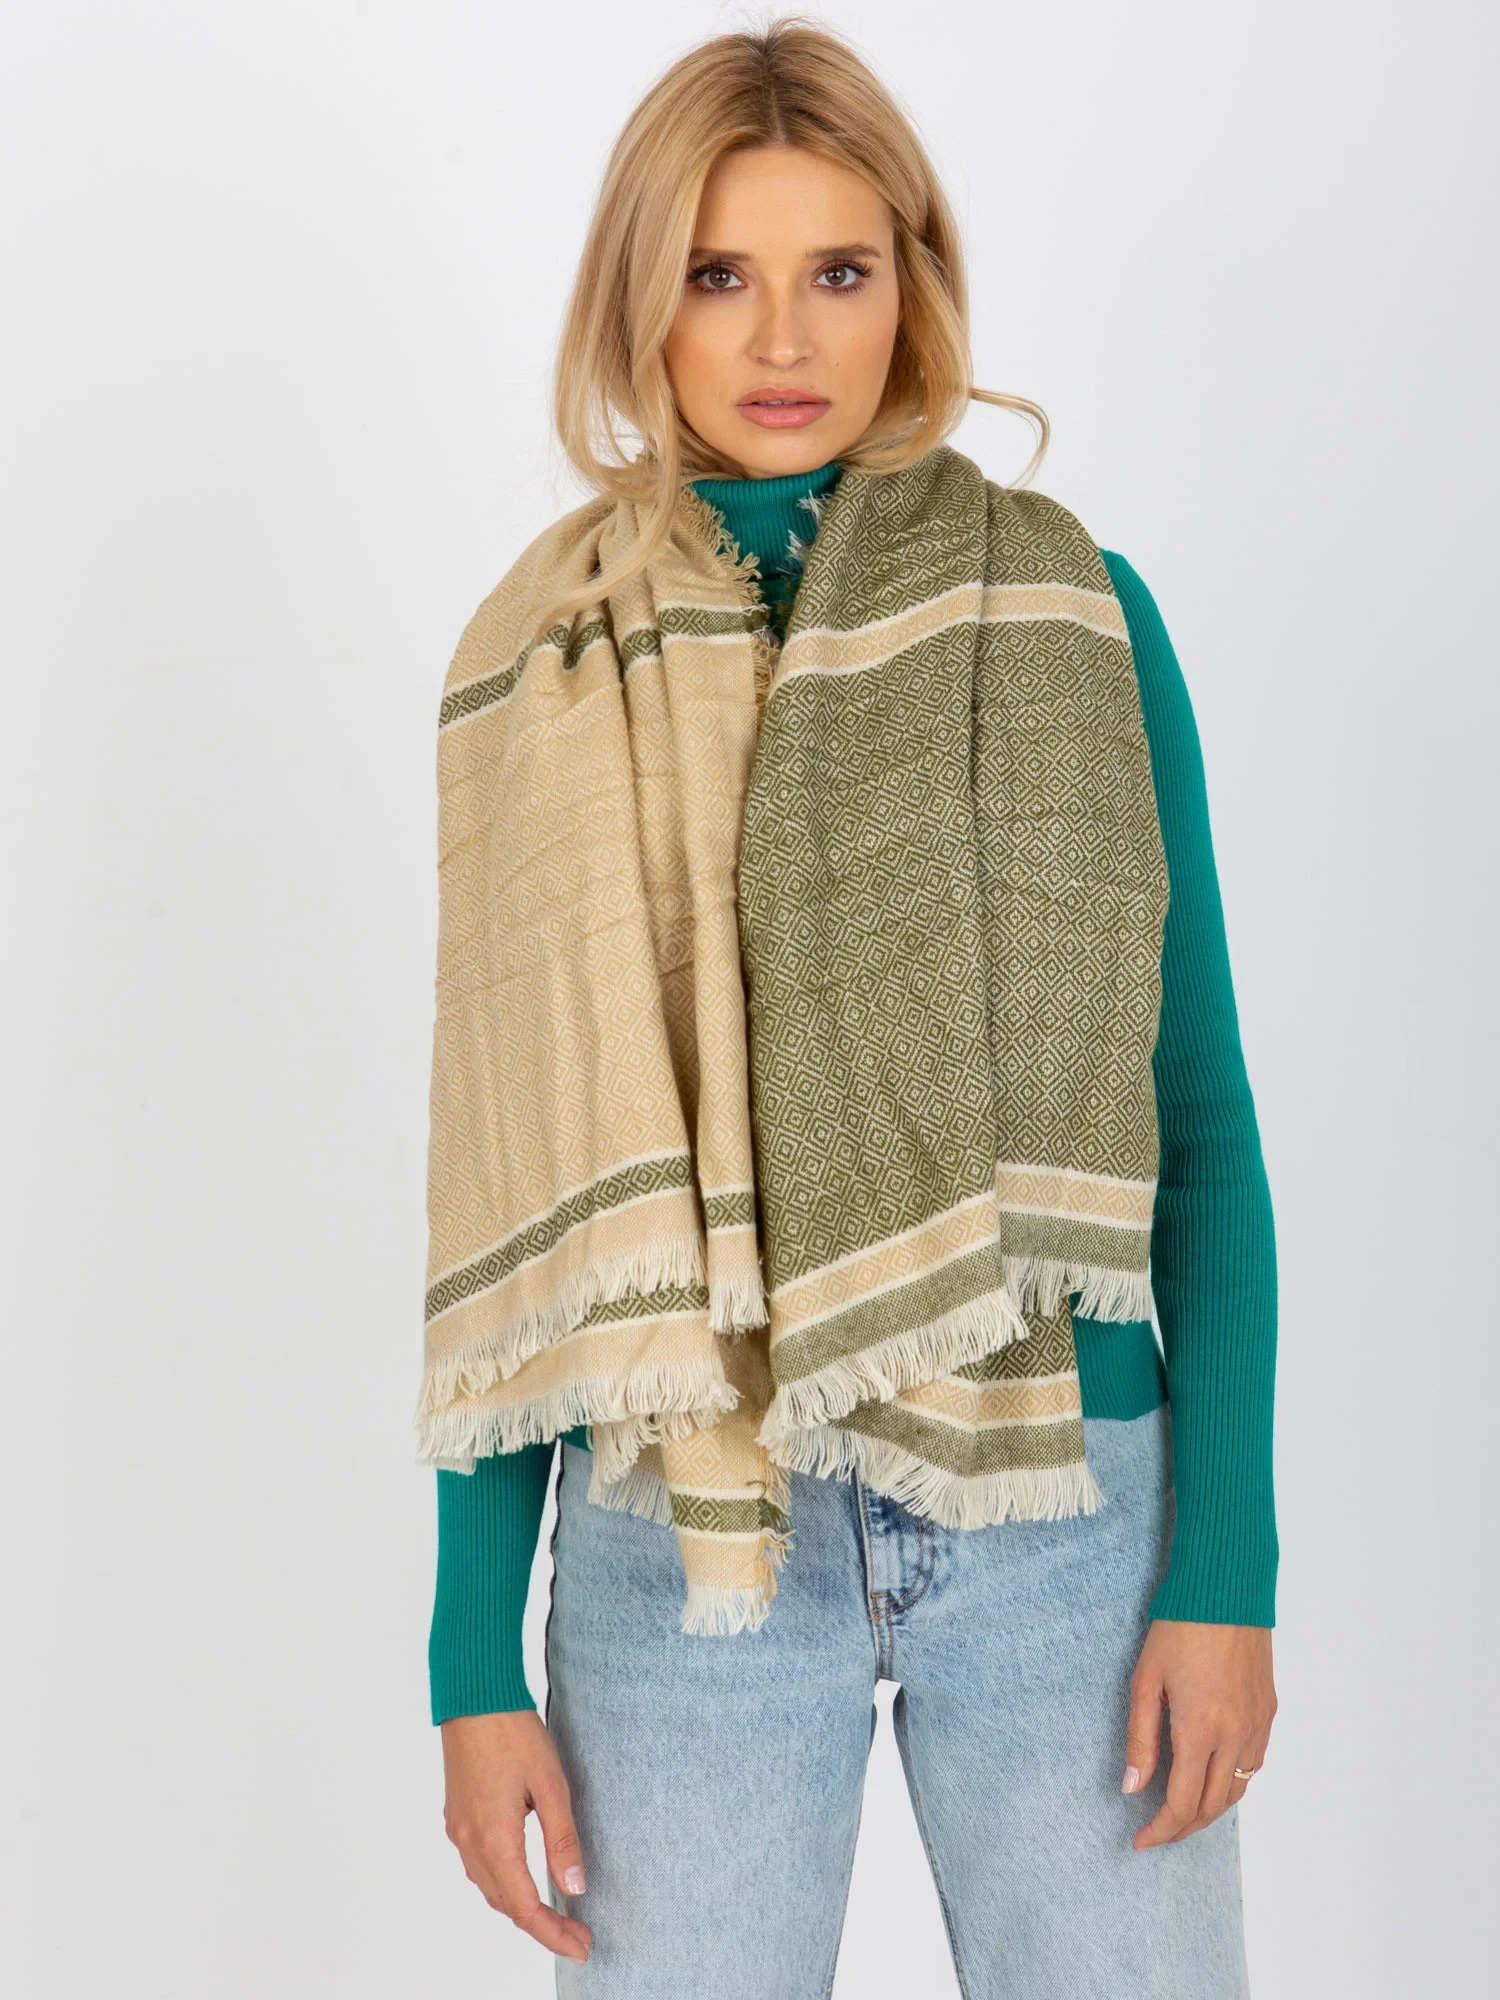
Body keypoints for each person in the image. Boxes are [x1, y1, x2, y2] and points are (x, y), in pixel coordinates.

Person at [418, 22, 1278, 1998]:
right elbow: (512, 1195)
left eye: (840, 270)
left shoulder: (1075, 615)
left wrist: (1226, 1568)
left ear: (915, 286)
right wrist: (473, 1660)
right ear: (640, 301)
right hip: (682, 1532)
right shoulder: (544, 673)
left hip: (1061, 1496)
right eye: (719, 274)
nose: (784, 337)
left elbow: (1200, 1124)